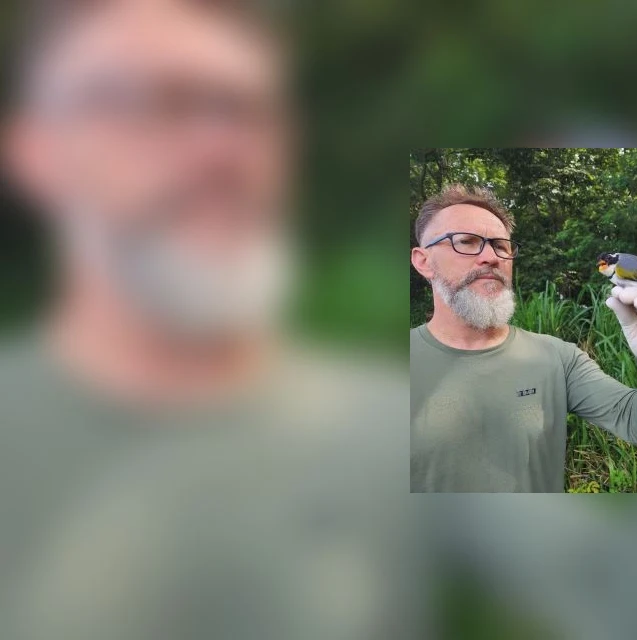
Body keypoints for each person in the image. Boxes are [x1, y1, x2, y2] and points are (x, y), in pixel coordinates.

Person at [0, 2, 409, 638]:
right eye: (154, 104)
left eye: (247, 110)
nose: (221, 149)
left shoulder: (394, 424)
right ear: (34, 150)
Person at [410, 184, 637, 492]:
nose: (491, 257)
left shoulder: (558, 358)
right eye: (466, 241)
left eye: (501, 246)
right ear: (423, 261)